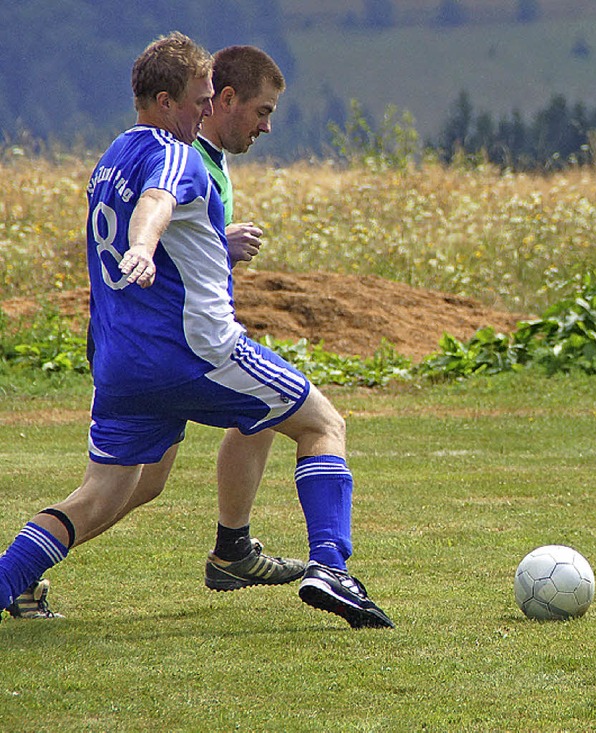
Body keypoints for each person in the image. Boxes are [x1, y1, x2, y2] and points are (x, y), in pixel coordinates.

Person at [0, 31, 393, 629]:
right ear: (166, 103)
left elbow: (159, 213)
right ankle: (330, 567)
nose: (208, 110)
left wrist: (200, 243)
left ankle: (11, 578)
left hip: (122, 362)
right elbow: (158, 203)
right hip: (193, 350)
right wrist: (143, 244)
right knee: (322, 423)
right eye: (200, 99)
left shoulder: (109, 160)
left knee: (107, 496)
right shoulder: (175, 151)